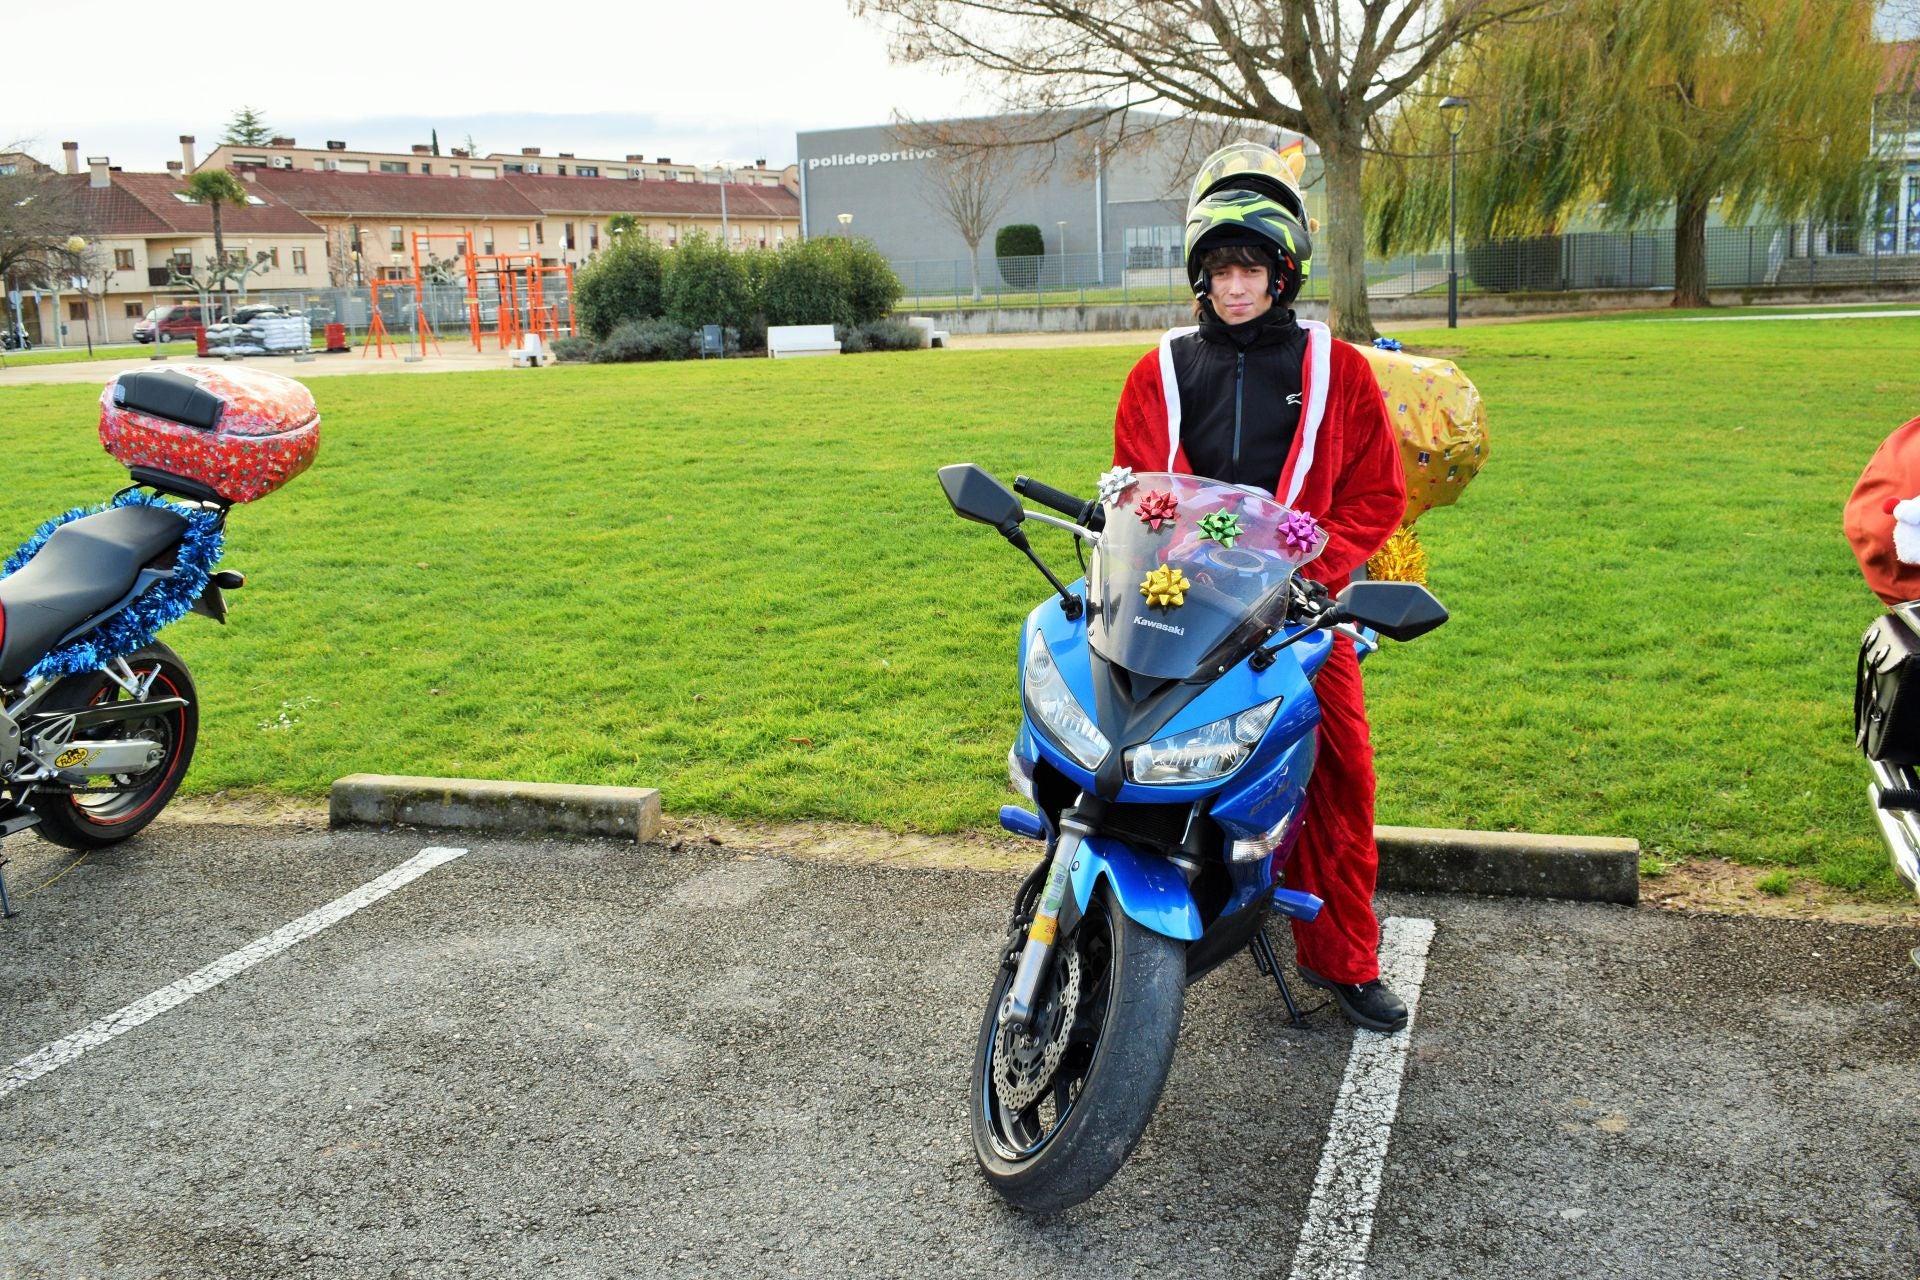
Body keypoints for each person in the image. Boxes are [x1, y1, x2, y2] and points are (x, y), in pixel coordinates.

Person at [1109, 141, 1409, 1031]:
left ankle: (1344, 959)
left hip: (1298, 619)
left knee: (1341, 776)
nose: (1236, 286)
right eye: (1219, 269)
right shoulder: (1158, 370)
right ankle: (1110, 935)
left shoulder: (1341, 371)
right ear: (1199, 277)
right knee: (1118, 757)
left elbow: (1377, 495)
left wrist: (1312, 570)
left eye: (1252, 268)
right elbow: (1131, 487)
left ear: (1284, 274)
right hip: (1176, 614)